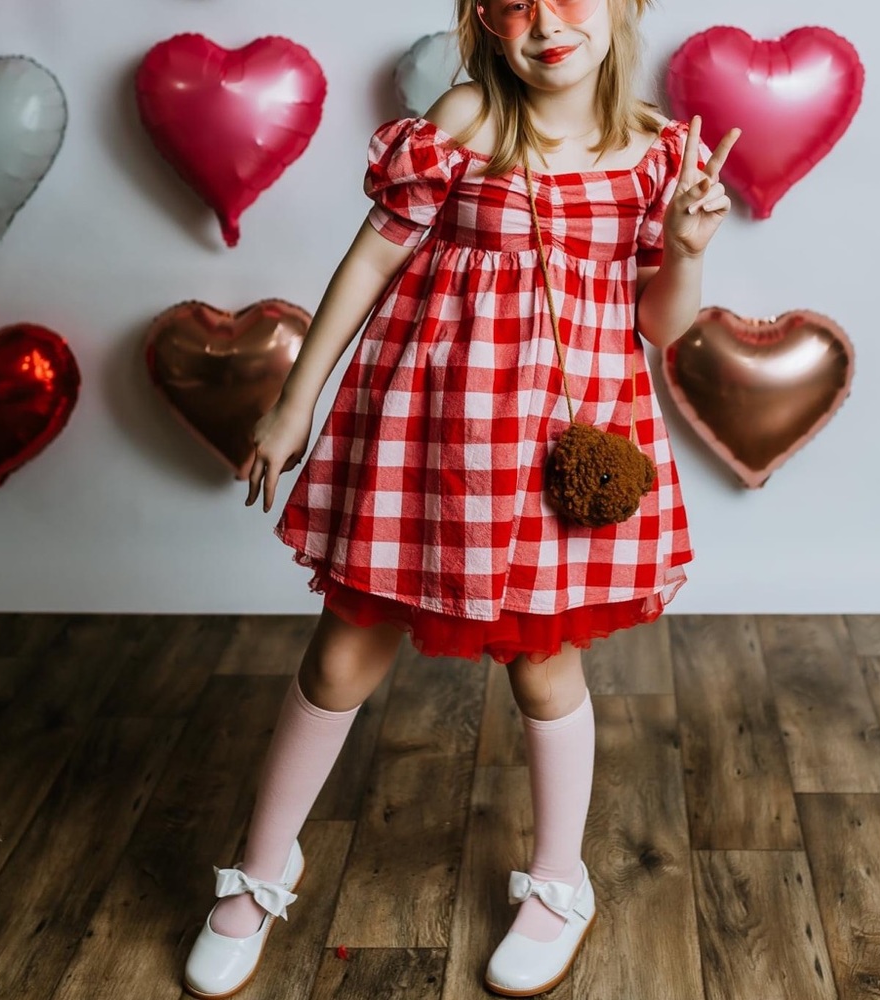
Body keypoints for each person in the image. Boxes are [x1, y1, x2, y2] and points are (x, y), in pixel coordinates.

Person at [184, 0, 739, 996]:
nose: (545, 22)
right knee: (341, 653)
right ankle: (264, 866)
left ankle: (559, 882)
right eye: (513, 3)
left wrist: (689, 246)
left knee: (542, 667)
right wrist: (295, 400)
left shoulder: (658, 153)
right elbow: (372, 258)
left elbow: (660, 326)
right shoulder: (466, 120)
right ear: (483, 21)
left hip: (555, 452)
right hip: (427, 434)